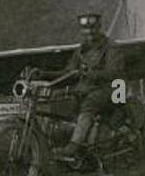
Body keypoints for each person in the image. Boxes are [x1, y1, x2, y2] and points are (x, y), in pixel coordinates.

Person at [40, 12, 125, 159]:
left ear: (99, 28)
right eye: (85, 29)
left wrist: (95, 74)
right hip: (87, 89)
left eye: (93, 28)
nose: (90, 32)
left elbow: (115, 72)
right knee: (55, 100)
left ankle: (74, 146)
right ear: (81, 31)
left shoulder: (111, 47)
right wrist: (43, 74)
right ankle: (54, 140)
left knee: (89, 103)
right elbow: (68, 72)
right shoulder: (81, 50)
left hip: (111, 90)